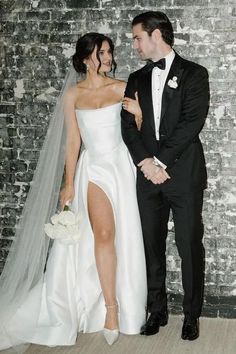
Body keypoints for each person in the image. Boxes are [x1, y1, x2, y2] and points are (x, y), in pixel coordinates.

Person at [0, 32, 147, 350]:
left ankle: (123, 300)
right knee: (104, 234)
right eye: (101, 53)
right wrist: (68, 183)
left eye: (109, 52)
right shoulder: (73, 96)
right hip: (93, 169)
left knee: (125, 237)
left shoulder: (123, 87)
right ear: (84, 59)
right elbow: (73, 142)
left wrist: (138, 116)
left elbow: (140, 135)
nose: (107, 58)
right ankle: (111, 309)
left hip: (122, 168)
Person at [121, 11, 209, 341]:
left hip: (183, 174)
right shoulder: (135, 78)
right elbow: (127, 126)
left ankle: (191, 315)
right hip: (147, 176)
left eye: (137, 37)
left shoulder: (195, 74)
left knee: (188, 245)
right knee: (151, 245)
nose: (134, 45)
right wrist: (146, 163)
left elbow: (191, 124)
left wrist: (159, 161)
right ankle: (156, 310)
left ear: (156, 35)